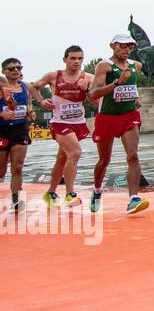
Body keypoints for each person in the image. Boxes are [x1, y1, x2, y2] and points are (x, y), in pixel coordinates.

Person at [88, 34, 149, 215]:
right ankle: (97, 190)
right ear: (113, 45)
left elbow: (130, 88)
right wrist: (116, 83)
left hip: (128, 116)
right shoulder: (104, 66)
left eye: (130, 47)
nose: (127, 49)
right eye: (123, 46)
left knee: (133, 156)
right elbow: (94, 94)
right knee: (104, 160)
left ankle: (133, 198)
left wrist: (134, 98)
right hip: (107, 117)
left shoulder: (135, 66)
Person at [28, 46, 91, 208]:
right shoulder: (54, 76)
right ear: (65, 59)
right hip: (59, 123)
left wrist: (88, 89)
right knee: (75, 152)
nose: (77, 62)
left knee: (63, 158)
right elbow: (33, 87)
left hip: (78, 123)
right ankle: (70, 195)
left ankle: (50, 193)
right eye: (73, 58)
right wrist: (41, 101)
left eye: (80, 58)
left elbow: (97, 100)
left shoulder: (87, 77)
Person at [1, 58, 34, 211]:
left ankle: (16, 200)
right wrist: (2, 114)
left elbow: (28, 105)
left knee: (17, 167)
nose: (16, 70)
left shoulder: (25, 87)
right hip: (2, 130)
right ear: (4, 72)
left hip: (20, 128)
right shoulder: (1, 86)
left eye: (18, 68)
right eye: (11, 68)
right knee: (1, 169)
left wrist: (30, 113)